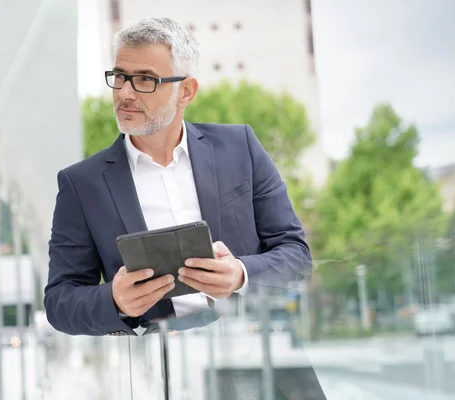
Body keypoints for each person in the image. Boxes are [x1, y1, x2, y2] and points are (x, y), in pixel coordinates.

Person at [44, 17, 312, 337]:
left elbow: (296, 255)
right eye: (119, 76)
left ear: (186, 91)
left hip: (254, 343)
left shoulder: (240, 148)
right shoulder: (81, 185)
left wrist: (240, 274)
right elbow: (59, 302)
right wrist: (115, 300)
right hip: (159, 361)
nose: (125, 93)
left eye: (145, 79)